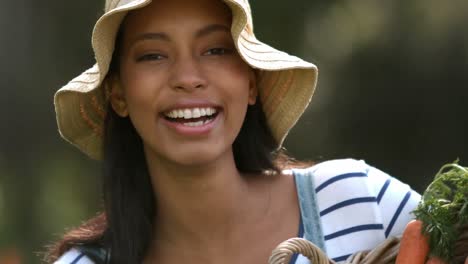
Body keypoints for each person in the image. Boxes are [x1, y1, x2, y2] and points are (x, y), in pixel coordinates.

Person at [47, 0, 421, 263]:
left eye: (216, 50)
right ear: (118, 94)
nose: (188, 79)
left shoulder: (359, 201)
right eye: (153, 55)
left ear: (252, 81)